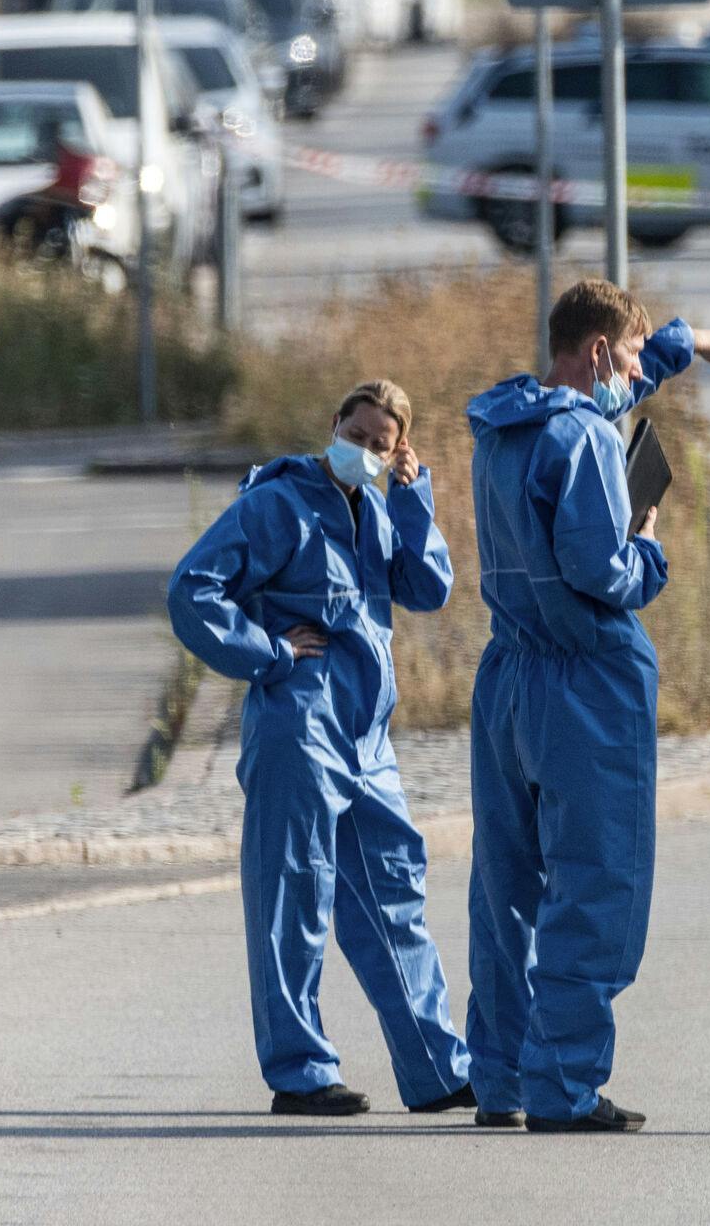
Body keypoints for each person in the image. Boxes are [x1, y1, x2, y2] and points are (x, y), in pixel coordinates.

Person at [463, 279, 710, 1133]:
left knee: (506, 887)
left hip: (510, 675)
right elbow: (604, 574)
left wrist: (681, 341)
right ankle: (564, 1086)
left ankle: (502, 1078)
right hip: (586, 680)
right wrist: (648, 546)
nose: (631, 374)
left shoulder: (503, 428)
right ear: (596, 350)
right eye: (628, 355)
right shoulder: (586, 442)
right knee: (596, 885)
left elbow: (606, 399)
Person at [167, 380, 473, 1117]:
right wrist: (268, 651)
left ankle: (437, 1068)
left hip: (367, 736)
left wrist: (412, 496)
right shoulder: (279, 503)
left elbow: (427, 589)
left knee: (395, 895)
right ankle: (300, 1072)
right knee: (293, 896)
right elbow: (193, 589)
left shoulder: (383, 507)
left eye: (380, 443)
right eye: (356, 432)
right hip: (298, 726)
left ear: (398, 451)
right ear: (333, 424)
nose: (363, 449)